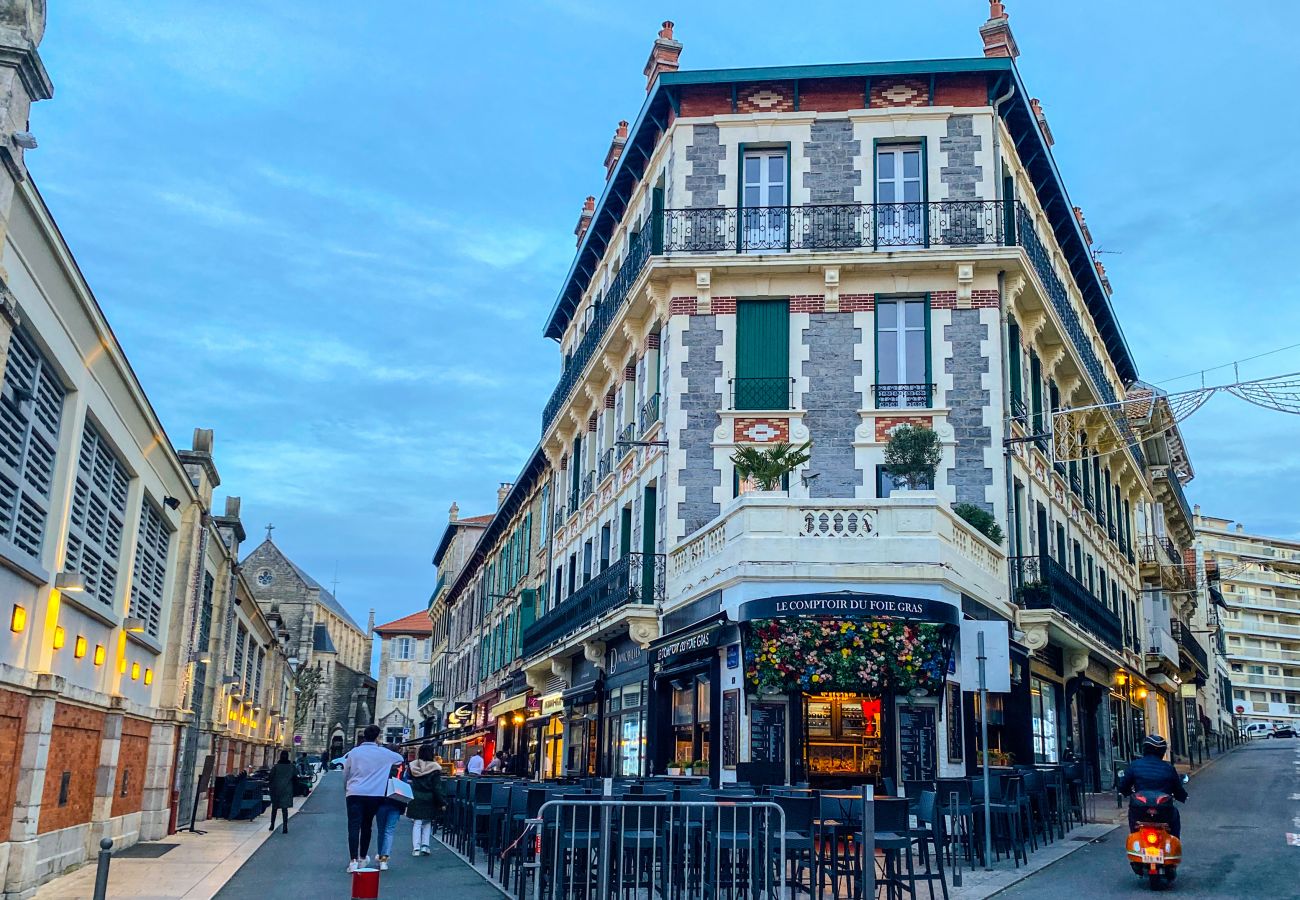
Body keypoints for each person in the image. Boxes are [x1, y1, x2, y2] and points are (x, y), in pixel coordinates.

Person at [343, 724, 404, 873]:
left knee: (353, 826)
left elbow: (346, 772)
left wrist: (347, 787)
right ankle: (363, 857)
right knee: (367, 825)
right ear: (377, 737)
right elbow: (399, 758)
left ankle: (353, 861)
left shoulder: (354, 752)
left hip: (355, 792)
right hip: (374, 794)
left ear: (364, 735)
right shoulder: (383, 753)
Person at [1118, 734, 1187, 838]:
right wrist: (1182, 796)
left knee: (1134, 825)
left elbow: (1123, 786)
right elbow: (1177, 788)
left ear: (1144, 749)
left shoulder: (1135, 765)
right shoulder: (1168, 768)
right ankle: (1173, 844)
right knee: (1174, 820)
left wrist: (1128, 792)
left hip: (1140, 809)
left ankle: (1136, 840)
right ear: (1162, 752)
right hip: (1163, 810)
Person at [406, 744, 444, 856]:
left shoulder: (413, 766)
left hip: (416, 796)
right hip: (429, 797)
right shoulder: (435, 768)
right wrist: (442, 801)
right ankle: (425, 846)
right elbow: (437, 787)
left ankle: (416, 848)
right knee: (427, 822)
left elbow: (408, 779)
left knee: (417, 822)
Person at [373, 751, 407, 871]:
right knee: (389, 831)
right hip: (395, 802)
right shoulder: (401, 768)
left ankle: (380, 854)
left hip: (381, 802)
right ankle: (384, 859)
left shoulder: (380, 768)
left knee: (381, 831)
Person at [268, 750, 295, 834]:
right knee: (284, 809)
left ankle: (272, 825)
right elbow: (295, 776)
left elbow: (271, 777)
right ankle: (285, 827)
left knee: (274, 808)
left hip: (276, 789)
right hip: (287, 789)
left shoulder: (276, 767)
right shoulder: (291, 766)